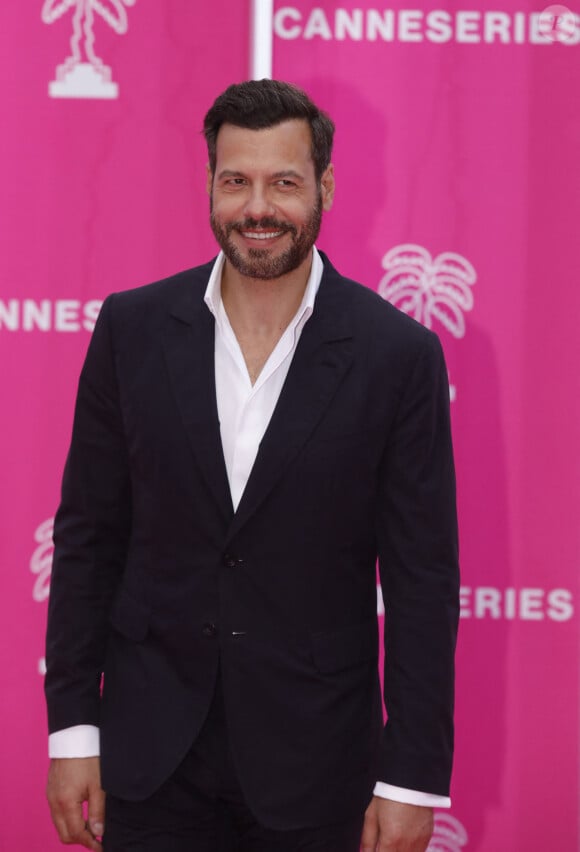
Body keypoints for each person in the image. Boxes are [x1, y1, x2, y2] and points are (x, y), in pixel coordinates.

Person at [45, 79, 459, 852]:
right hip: (150, 757)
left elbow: (422, 581)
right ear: (210, 184)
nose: (257, 208)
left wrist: (410, 779)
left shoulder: (397, 357)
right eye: (236, 180)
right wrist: (73, 730)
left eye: (284, 183)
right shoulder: (131, 330)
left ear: (325, 187)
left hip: (319, 765)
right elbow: (89, 539)